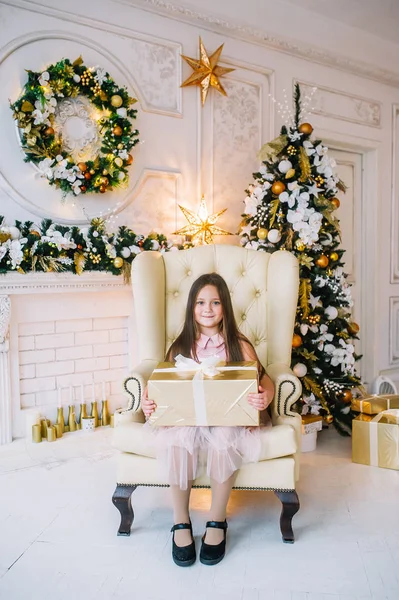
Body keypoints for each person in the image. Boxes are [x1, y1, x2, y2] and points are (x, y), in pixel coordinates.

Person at [141, 273, 274, 567]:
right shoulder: (181, 346)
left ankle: (216, 519)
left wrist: (266, 395)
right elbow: (161, 382)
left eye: (215, 302)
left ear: (225, 306)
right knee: (177, 439)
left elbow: (265, 378)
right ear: (191, 307)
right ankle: (180, 520)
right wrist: (148, 399)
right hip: (189, 419)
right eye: (201, 302)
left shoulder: (239, 344)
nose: (208, 309)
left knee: (225, 438)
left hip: (226, 419)